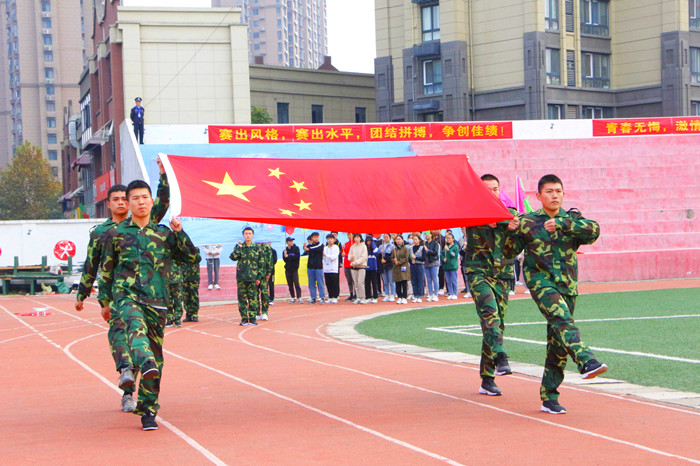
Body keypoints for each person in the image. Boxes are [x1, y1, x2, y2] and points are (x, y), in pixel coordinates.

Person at [504, 174, 607, 414]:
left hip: (568, 286)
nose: (555, 195)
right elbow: (509, 252)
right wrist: (511, 231)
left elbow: (594, 231)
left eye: (558, 191)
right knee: (562, 320)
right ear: (539, 196)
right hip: (541, 283)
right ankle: (586, 360)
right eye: (549, 191)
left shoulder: (571, 220)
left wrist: (565, 225)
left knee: (558, 342)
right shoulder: (528, 221)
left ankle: (549, 396)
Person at [100, 179, 198, 431]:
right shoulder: (116, 234)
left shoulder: (164, 233)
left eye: (145, 197)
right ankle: (143, 361)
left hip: (157, 302)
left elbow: (191, 257)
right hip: (126, 297)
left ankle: (148, 410)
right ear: (128, 204)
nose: (140, 202)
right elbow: (107, 272)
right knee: (135, 328)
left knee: (158, 359)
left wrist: (180, 232)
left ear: (150, 202)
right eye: (135, 198)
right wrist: (105, 302)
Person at [75, 159, 169, 414]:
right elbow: (94, 264)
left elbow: (162, 203)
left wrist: (163, 176)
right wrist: (89, 296)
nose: (120, 203)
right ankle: (127, 381)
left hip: (148, 296)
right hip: (121, 296)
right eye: (115, 199)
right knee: (121, 334)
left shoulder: (141, 224)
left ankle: (136, 384)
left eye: (123, 199)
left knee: (141, 342)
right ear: (109, 204)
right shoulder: (102, 233)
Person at [465, 174, 520, 397]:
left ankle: (487, 379)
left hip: (502, 276)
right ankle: (500, 356)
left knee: (496, 326)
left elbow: (517, 222)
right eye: (486, 189)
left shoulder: (510, 213)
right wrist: (501, 221)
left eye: (495, 189)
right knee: (490, 316)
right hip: (478, 273)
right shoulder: (472, 212)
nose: (492, 193)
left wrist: (509, 222)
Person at [230, 227, 264, 325]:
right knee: (242, 299)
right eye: (246, 233)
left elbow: (261, 264)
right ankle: (244, 318)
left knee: (253, 298)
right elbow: (233, 257)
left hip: (253, 278)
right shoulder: (240, 247)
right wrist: (238, 248)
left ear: (252, 235)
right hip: (241, 278)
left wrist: (259, 278)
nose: (248, 235)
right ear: (243, 235)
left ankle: (253, 317)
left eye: (249, 233)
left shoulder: (257, 248)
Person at [303, 232, 326, 304]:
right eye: (314, 237)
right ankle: (313, 298)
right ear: (312, 238)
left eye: (317, 237)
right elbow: (306, 250)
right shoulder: (309, 246)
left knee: (320, 282)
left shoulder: (320, 245)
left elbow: (314, 249)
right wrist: (305, 248)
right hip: (310, 267)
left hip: (318, 267)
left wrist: (307, 248)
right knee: (311, 283)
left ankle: (322, 297)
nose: (316, 238)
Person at [181, 249, 202, 322]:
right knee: (186, 296)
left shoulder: (195, 250)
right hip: (185, 277)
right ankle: (188, 314)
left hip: (194, 277)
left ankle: (194, 314)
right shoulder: (182, 251)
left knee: (194, 295)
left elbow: (198, 259)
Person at [348, 233, 368, 304]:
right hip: (354, 267)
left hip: (361, 266)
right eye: (355, 237)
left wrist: (356, 262)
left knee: (360, 282)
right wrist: (351, 258)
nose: (356, 239)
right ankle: (358, 297)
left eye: (357, 237)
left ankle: (363, 297)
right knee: (356, 283)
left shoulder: (363, 246)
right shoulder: (352, 247)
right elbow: (349, 256)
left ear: (360, 238)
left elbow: (363, 257)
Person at [257, 242, 274, 320]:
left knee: (264, 293)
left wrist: (268, 273)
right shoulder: (251, 246)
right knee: (254, 295)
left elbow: (270, 261)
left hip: (263, 275)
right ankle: (256, 313)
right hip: (253, 275)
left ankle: (264, 312)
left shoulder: (266, 247)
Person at [282, 237, 302, 303]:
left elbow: (296, 257)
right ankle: (292, 297)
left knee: (296, 283)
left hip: (294, 268)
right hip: (288, 269)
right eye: (289, 241)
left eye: (292, 241)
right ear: (287, 242)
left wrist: (289, 256)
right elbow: (285, 260)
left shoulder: (296, 248)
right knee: (290, 283)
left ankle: (299, 297)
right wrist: (285, 256)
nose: (291, 242)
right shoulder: (285, 250)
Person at [391, 235, 410, 304]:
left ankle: (404, 297)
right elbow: (392, 258)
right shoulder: (394, 249)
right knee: (397, 283)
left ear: (402, 240)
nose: (398, 241)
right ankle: (399, 297)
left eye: (399, 239)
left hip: (403, 267)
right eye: (397, 239)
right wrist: (394, 260)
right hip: (396, 269)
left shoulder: (405, 248)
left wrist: (398, 262)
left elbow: (406, 258)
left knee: (404, 282)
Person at [441, 232, 460, 299]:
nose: (448, 240)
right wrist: (443, 259)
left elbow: (453, 255)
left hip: (453, 266)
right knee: (448, 281)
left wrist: (448, 250)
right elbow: (442, 254)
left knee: (453, 280)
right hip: (446, 266)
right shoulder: (445, 246)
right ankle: (450, 293)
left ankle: (455, 293)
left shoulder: (455, 246)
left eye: (449, 238)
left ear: (453, 239)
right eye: (447, 238)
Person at [165, 260, 184, 327]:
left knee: (178, 300)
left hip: (177, 279)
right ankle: (169, 319)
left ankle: (177, 320)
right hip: (166, 279)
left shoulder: (177, 252)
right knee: (168, 301)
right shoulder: (164, 252)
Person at [424, 231, 441, 302]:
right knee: (428, 279)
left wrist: (427, 250)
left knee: (435, 278)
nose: (426, 235)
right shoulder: (425, 243)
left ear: (431, 235)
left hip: (434, 262)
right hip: (426, 263)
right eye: (425, 234)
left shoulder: (435, 243)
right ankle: (430, 294)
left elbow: (435, 253)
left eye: (427, 234)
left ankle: (436, 294)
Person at [377, 234, 395, 301]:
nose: (385, 238)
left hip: (390, 266)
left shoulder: (392, 246)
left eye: (387, 237)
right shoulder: (381, 246)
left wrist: (386, 260)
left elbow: (393, 257)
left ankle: (392, 294)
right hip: (383, 266)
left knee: (391, 281)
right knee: (385, 281)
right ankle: (387, 294)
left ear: (389, 238)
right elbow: (377, 256)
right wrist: (380, 253)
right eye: (384, 237)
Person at [323, 234, 340, 303]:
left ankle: (335, 296)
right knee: (328, 283)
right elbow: (323, 257)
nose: (329, 240)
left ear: (334, 240)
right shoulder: (325, 248)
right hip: (326, 269)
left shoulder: (336, 247)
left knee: (334, 283)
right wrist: (326, 256)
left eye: (331, 239)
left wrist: (326, 256)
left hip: (333, 268)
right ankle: (330, 296)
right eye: (328, 239)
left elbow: (334, 257)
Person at [409, 233, 426, 303]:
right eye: (413, 239)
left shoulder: (422, 248)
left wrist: (416, 258)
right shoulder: (411, 248)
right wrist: (411, 261)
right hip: (413, 266)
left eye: (416, 239)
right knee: (414, 280)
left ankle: (420, 295)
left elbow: (423, 258)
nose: (414, 241)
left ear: (419, 240)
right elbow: (409, 258)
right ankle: (415, 295)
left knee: (420, 280)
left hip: (420, 265)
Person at [364, 235, 380, 303]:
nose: (369, 242)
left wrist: (373, 244)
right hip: (366, 266)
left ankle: (375, 296)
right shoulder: (364, 248)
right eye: (367, 241)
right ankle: (368, 296)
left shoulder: (374, 247)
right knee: (367, 282)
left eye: (370, 241)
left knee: (374, 282)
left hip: (373, 267)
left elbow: (377, 252)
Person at [342, 233, 356, 302]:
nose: (349, 236)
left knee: (354, 280)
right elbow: (342, 254)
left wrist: (347, 255)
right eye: (348, 235)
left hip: (353, 264)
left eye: (351, 235)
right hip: (346, 264)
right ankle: (351, 294)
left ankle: (356, 294)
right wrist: (343, 252)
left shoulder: (355, 244)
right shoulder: (346, 244)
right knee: (349, 280)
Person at [459, 227, 471, 297]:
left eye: (464, 229)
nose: (463, 230)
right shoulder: (461, 239)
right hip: (464, 260)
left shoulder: (471, 238)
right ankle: (468, 290)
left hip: (471, 260)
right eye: (462, 229)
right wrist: (463, 248)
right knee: (466, 277)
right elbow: (460, 251)